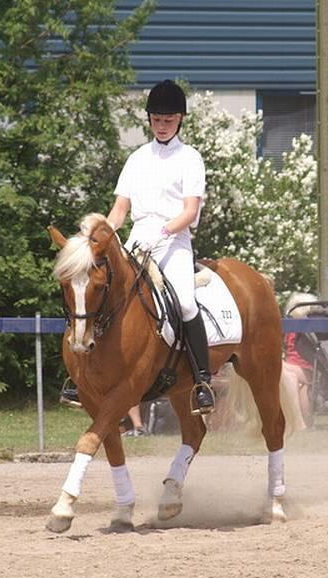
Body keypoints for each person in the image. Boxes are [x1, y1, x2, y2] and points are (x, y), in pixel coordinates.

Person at [107, 79, 214, 414]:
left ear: (180, 119)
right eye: (156, 120)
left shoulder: (190, 158)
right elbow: (120, 209)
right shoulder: (137, 158)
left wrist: (164, 232)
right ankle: (88, 375)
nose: (162, 126)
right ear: (149, 119)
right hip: (138, 236)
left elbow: (190, 211)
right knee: (103, 293)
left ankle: (202, 381)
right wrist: (100, 236)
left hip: (174, 239)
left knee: (184, 303)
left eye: (168, 120)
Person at [283, 292, 319, 429]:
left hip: (303, 368)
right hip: (304, 370)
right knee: (295, 382)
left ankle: (298, 422)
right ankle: (303, 421)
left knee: (279, 369)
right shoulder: (310, 326)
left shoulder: (297, 327)